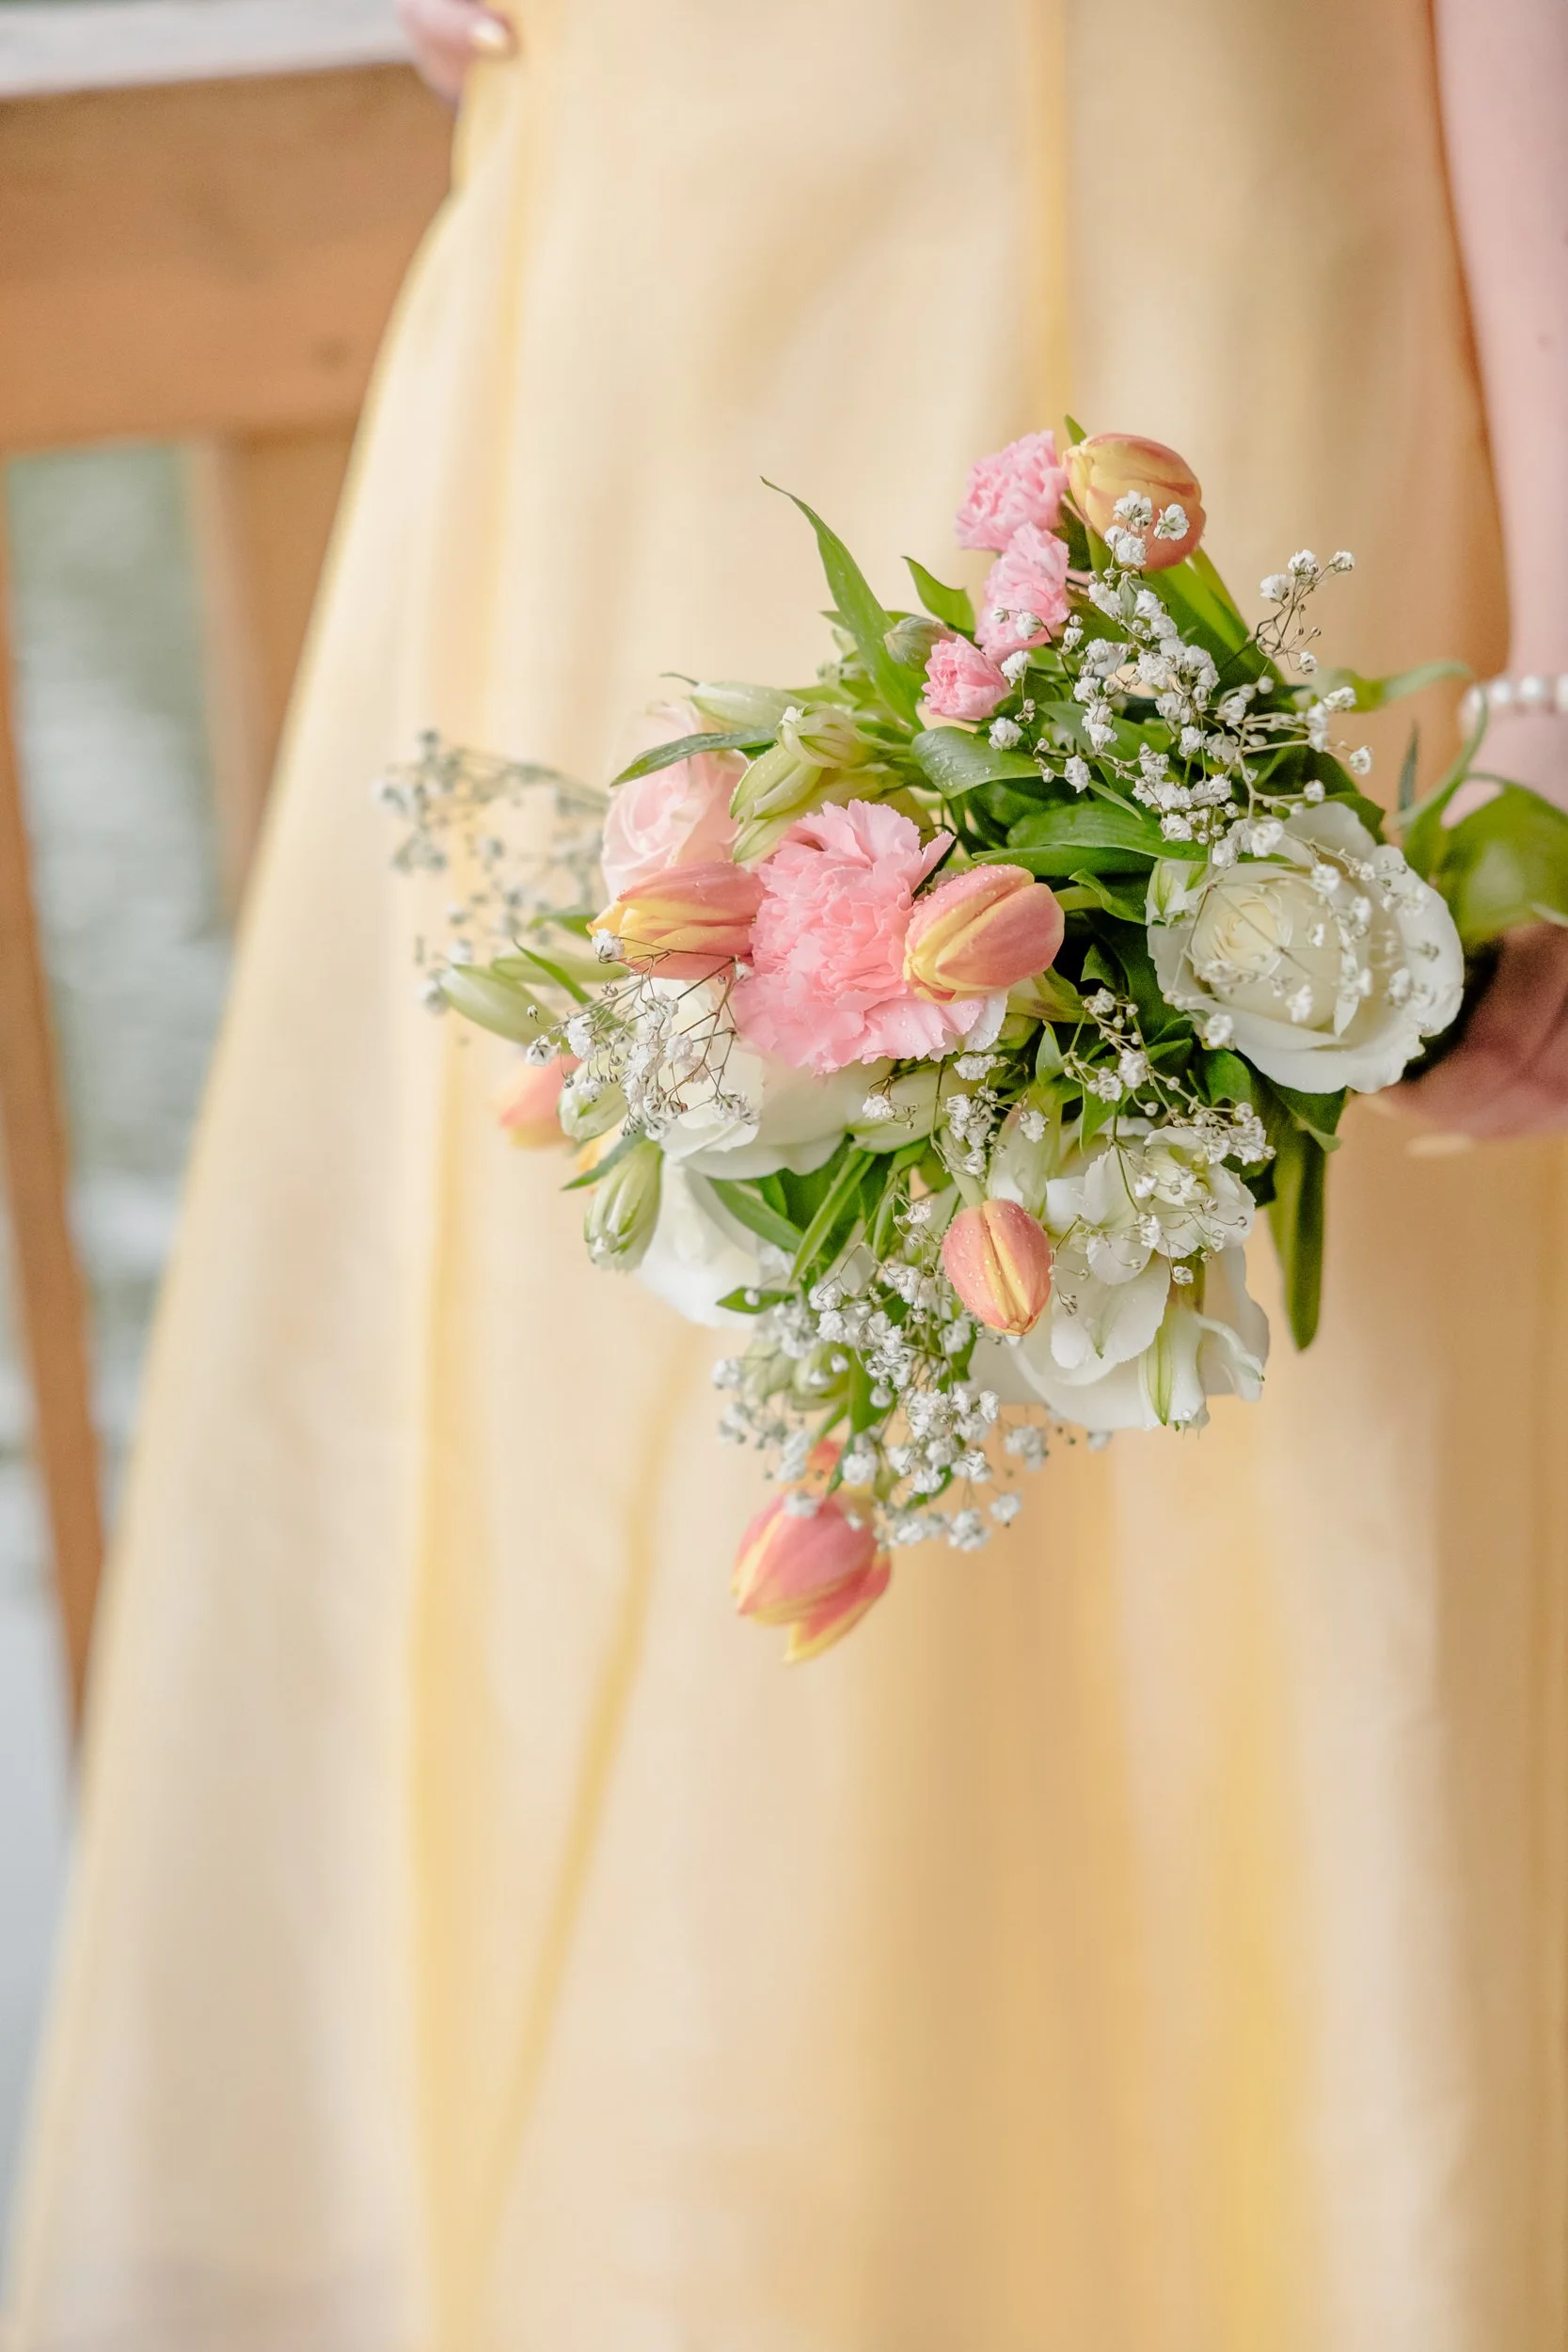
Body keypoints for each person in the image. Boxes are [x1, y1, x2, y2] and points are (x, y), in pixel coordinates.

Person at [6, 2, 1566, 2344]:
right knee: (625, 1437)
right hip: (637, 343)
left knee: (1269, 1433)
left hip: (1215, 290)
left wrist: (1558, 674)